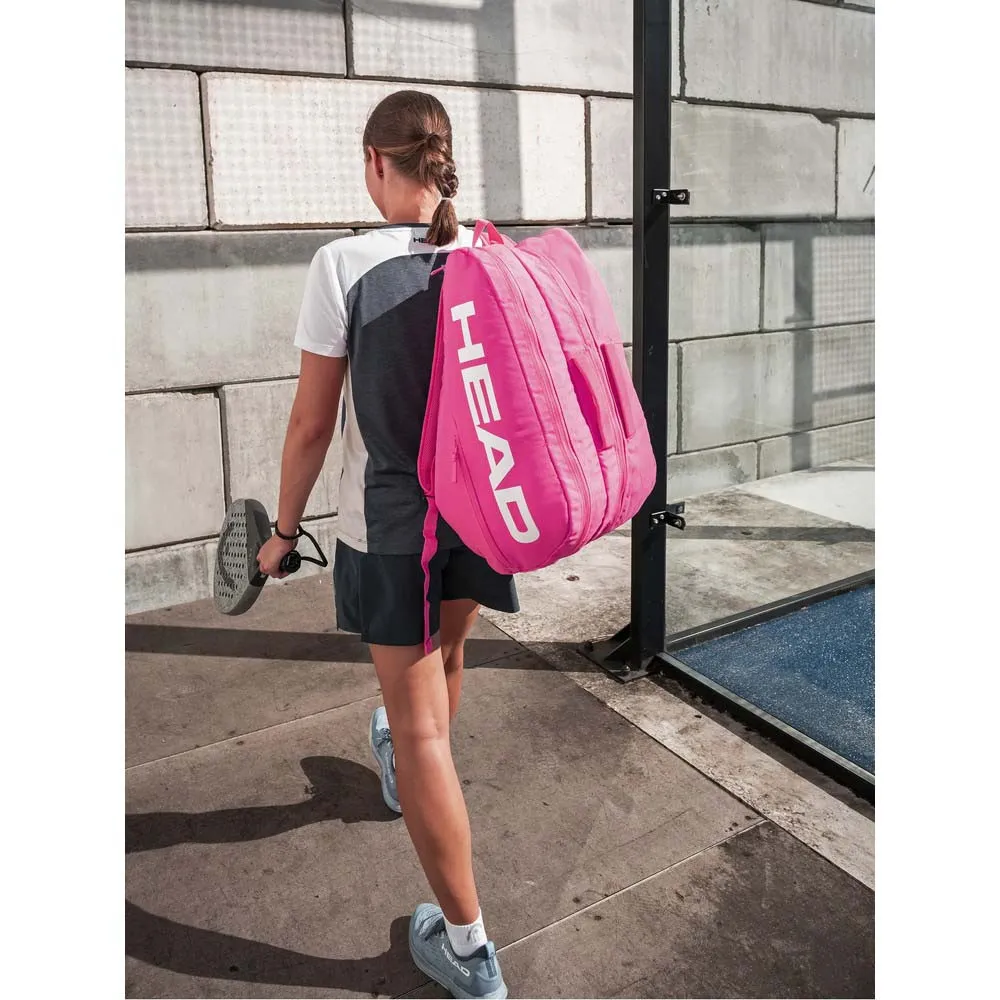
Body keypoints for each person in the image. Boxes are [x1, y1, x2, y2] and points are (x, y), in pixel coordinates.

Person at [256, 90, 514, 1000]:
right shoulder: (487, 250)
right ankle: (406, 773)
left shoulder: (343, 263)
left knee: (421, 729)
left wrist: (283, 534)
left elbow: (310, 424)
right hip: (481, 512)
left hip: (394, 527)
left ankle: (469, 947)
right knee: (447, 664)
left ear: (376, 161)